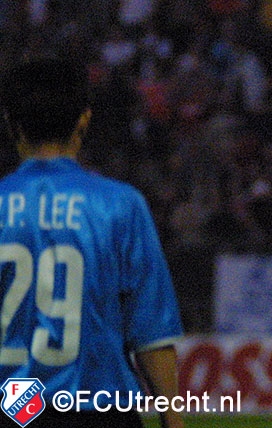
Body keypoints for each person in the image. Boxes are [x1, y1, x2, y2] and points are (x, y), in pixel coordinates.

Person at [0, 58, 184, 428]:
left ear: (10, 124)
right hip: (100, 410)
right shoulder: (120, 205)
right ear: (84, 120)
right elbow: (151, 331)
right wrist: (172, 418)